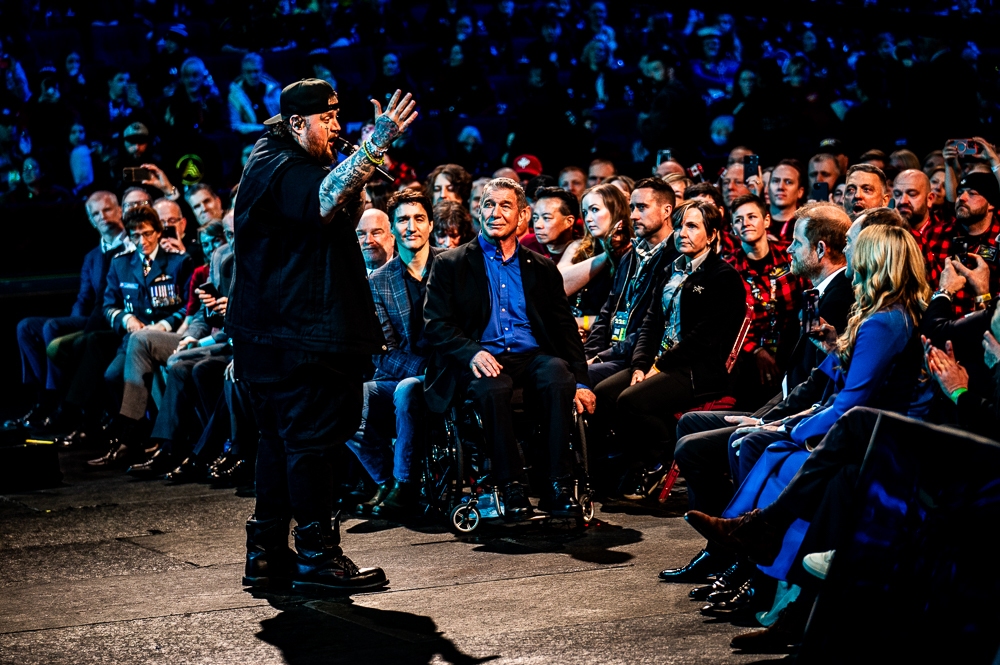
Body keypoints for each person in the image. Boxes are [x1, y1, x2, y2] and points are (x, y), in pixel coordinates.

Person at [228, 79, 416, 593]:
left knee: (279, 445)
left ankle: (266, 556)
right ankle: (317, 557)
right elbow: (324, 199)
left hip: (280, 340)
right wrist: (376, 144)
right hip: (296, 344)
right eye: (326, 120)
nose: (336, 128)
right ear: (295, 123)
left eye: (338, 117)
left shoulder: (278, 159)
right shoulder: (279, 165)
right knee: (311, 448)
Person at [422, 177, 596, 520]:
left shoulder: (542, 268)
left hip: (530, 357)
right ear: (479, 212)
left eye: (505, 206)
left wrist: (582, 381)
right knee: (494, 386)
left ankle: (559, 484)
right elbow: (436, 325)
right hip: (479, 360)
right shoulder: (450, 264)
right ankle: (510, 487)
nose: (496, 213)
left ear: (522, 216)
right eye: (489, 204)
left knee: (557, 373)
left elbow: (564, 330)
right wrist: (471, 352)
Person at [592, 199, 746, 500]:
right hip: (661, 362)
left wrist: (658, 366)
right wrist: (639, 365)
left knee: (631, 401)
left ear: (712, 234)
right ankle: (613, 470)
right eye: (678, 227)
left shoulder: (722, 277)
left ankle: (656, 460)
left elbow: (704, 338)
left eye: (692, 226)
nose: (682, 233)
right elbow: (651, 324)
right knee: (605, 393)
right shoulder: (670, 270)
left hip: (697, 368)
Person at [348, 190, 440, 519]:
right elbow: (382, 350)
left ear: (430, 225)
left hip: (453, 370)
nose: (411, 226)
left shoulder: (451, 266)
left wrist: (440, 368)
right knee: (342, 401)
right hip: (407, 371)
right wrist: (426, 368)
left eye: (418, 219)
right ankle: (389, 482)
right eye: (403, 219)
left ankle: (403, 485)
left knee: (406, 391)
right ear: (394, 229)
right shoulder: (377, 281)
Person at [5, 192, 127, 430]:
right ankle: (44, 396)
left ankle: (58, 401)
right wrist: (71, 323)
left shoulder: (130, 247)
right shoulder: (92, 256)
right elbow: (83, 298)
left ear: (119, 210)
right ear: (90, 220)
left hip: (106, 320)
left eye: (107, 210)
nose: (102, 217)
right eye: (95, 213)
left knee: (53, 328)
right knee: (27, 327)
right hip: (85, 318)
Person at [87, 204, 194, 466]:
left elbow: (190, 305)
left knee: (144, 363)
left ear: (158, 232)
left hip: (164, 335)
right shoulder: (121, 263)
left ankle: (128, 440)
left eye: (147, 234)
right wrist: (127, 319)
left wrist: (164, 326)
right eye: (135, 236)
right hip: (133, 338)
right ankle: (143, 432)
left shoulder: (178, 261)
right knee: (112, 376)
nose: (142, 241)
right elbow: (108, 305)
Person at [584, 177, 678, 385]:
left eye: (642, 207)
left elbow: (654, 326)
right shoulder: (630, 254)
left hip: (640, 357)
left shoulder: (676, 258)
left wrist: (601, 357)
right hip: (613, 352)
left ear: (666, 211)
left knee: (577, 376)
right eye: (632, 207)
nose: (633, 215)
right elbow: (607, 312)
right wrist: (589, 354)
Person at [726, 194, 802, 410]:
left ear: (766, 221)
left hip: (790, 347)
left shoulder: (790, 256)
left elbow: (808, 298)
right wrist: (756, 351)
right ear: (733, 228)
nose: (746, 223)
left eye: (752, 216)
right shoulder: (728, 267)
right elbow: (728, 322)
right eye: (739, 220)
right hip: (747, 355)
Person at [922, 171, 1000, 316]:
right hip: (941, 325)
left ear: (991, 204)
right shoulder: (935, 234)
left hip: (986, 327)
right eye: (960, 193)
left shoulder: (998, 240)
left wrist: (984, 294)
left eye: (972, 193)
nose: (962, 198)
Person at [561, 183, 633, 319]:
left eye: (594, 210)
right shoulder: (578, 247)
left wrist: (584, 323)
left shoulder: (632, 251)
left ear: (616, 210)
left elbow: (625, 315)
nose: (587, 218)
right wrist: (606, 254)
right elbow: (558, 285)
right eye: (585, 212)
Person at [228, 53, 282, 137]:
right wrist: (262, 128)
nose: (253, 76)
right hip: (251, 137)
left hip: (276, 134)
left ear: (262, 71)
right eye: (248, 72)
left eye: (256, 71)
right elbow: (235, 125)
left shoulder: (274, 90)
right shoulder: (235, 94)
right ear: (243, 73)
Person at [521, 187, 578, 261]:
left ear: (569, 221)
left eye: (546, 218)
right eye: (535, 218)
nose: (538, 225)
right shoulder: (528, 244)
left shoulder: (582, 252)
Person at [768, 160, 805, 242]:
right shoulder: (754, 220)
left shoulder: (807, 226)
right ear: (768, 188)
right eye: (775, 181)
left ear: (800, 192)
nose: (781, 187)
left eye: (788, 182)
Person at [892, 168, 933, 235]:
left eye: (912, 194)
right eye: (897, 194)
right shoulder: (884, 231)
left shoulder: (944, 232)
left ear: (929, 199)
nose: (903, 201)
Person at [356, 208, 396, 274]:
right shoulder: (343, 273)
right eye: (361, 234)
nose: (368, 240)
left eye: (376, 233)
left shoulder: (408, 270)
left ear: (392, 237)